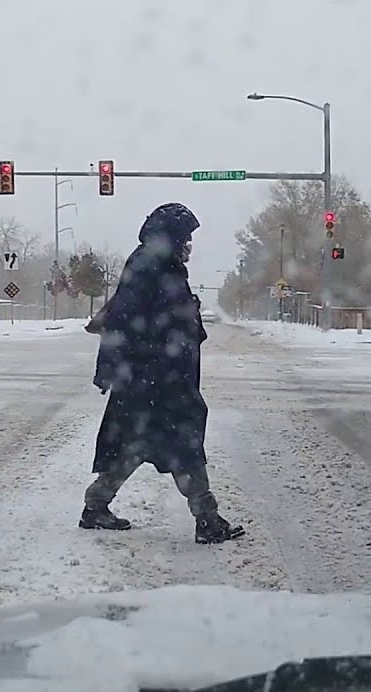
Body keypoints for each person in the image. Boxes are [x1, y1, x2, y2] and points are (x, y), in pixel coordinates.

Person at [81, 202, 245, 544]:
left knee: (136, 444)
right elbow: (124, 318)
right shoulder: (150, 266)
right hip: (154, 377)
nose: (189, 245)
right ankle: (207, 518)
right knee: (182, 444)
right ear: (170, 237)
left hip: (157, 376)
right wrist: (113, 366)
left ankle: (96, 506)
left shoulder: (160, 265)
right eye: (185, 238)